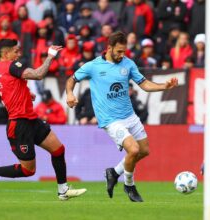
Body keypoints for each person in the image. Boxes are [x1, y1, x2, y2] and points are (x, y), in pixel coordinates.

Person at [65, 31, 178, 202]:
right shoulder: (93, 66)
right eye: (118, 51)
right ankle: (129, 185)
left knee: (144, 151)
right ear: (109, 48)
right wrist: (69, 94)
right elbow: (71, 80)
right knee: (133, 149)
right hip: (110, 120)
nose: (121, 55)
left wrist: (165, 86)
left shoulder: (128, 64)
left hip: (129, 116)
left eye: (124, 51)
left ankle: (114, 172)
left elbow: (145, 84)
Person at [0, 39, 86, 201]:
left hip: (31, 119)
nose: (19, 54)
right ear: (6, 53)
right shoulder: (11, 65)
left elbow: (10, 87)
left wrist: (27, 93)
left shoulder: (0, 69)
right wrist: (50, 56)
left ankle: (63, 191)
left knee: (58, 150)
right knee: (28, 170)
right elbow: (38, 74)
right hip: (19, 124)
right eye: (16, 51)